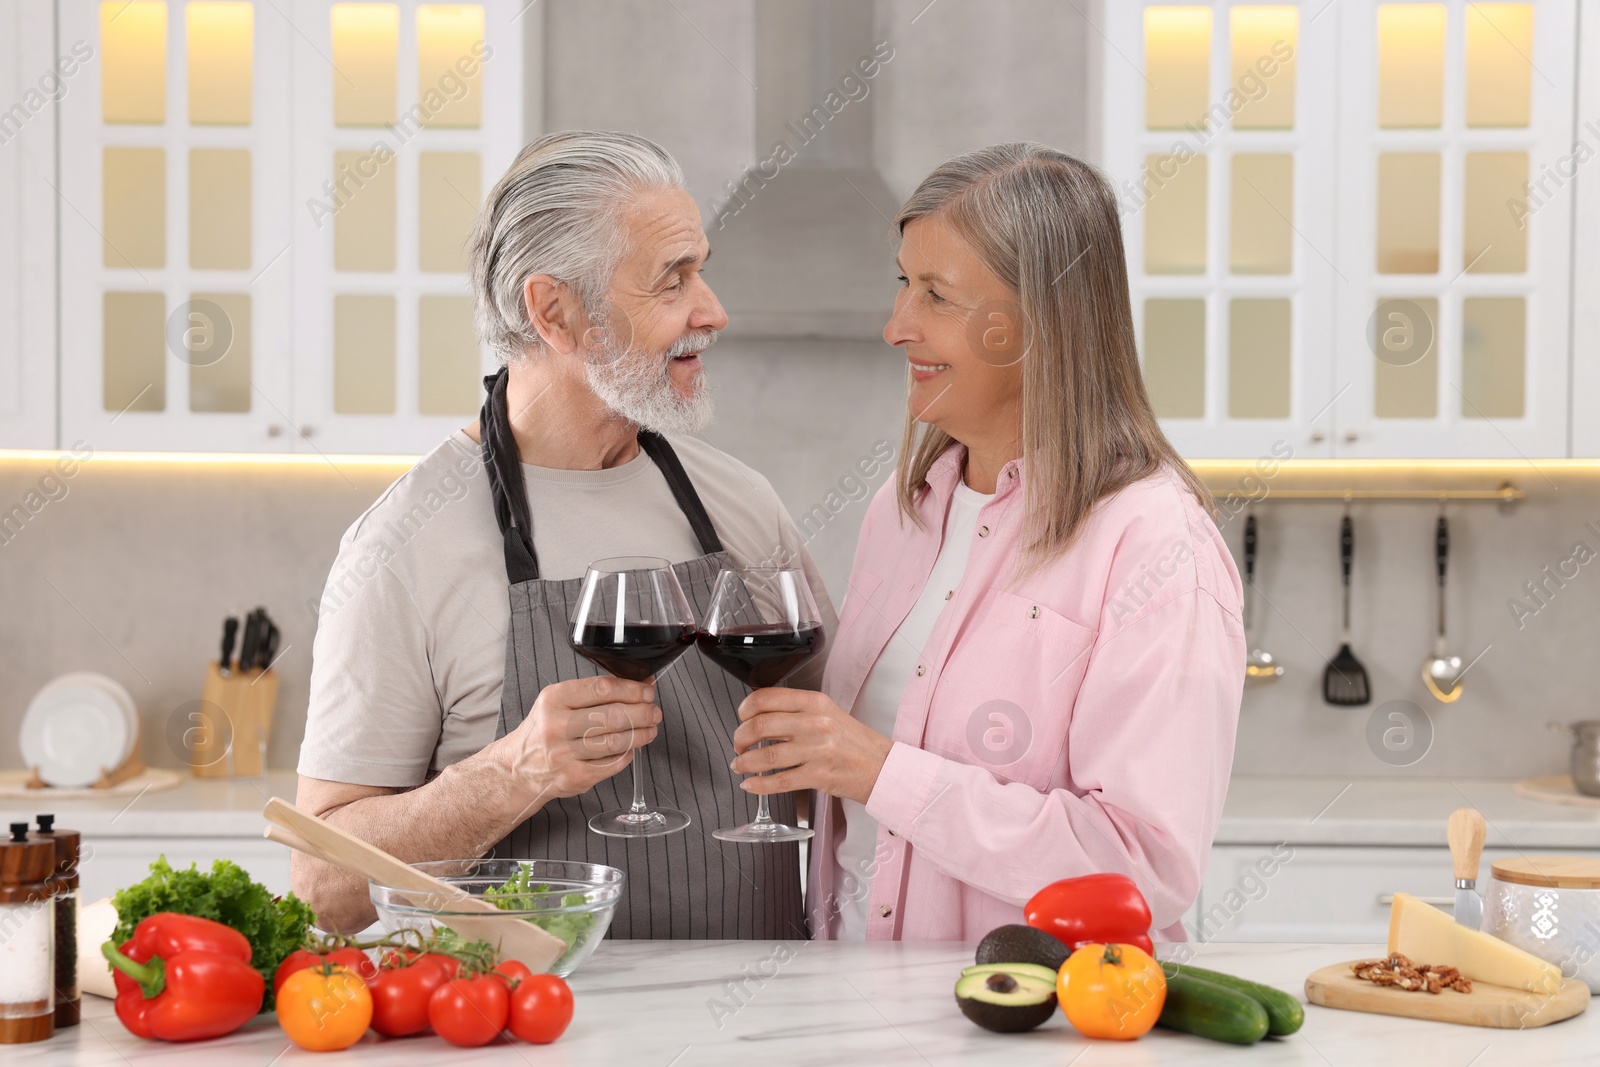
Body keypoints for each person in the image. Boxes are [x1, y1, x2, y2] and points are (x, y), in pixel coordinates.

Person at [292, 131, 833, 937]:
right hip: (533, 1033)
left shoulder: (739, 504)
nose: (712, 309)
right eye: (671, 279)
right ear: (556, 311)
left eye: (702, 269)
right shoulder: (404, 549)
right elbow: (321, 886)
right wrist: (510, 774)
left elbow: (843, 748)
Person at [729, 143, 1245, 942]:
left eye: (937, 295)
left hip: (1035, 1023)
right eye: (904, 281)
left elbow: (1142, 871)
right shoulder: (901, 513)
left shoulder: (1154, 545)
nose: (897, 326)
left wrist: (878, 769)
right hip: (848, 1009)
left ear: (1043, 320)